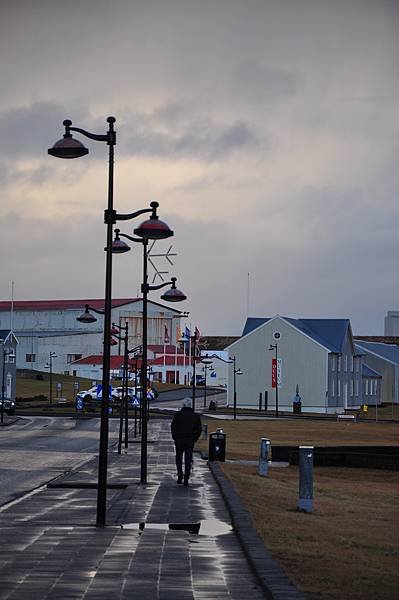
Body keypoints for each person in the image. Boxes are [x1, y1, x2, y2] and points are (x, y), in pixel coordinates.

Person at [171, 397, 202, 485]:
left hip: (179, 440)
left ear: (183, 405)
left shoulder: (177, 415)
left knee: (179, 458)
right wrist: (194, 438)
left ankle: (180, 475)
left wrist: (175, 437)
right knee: (188, 459)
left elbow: (173, 427)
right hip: (190, 440)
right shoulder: (195, 416)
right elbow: (199, 429)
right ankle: (186, 478)